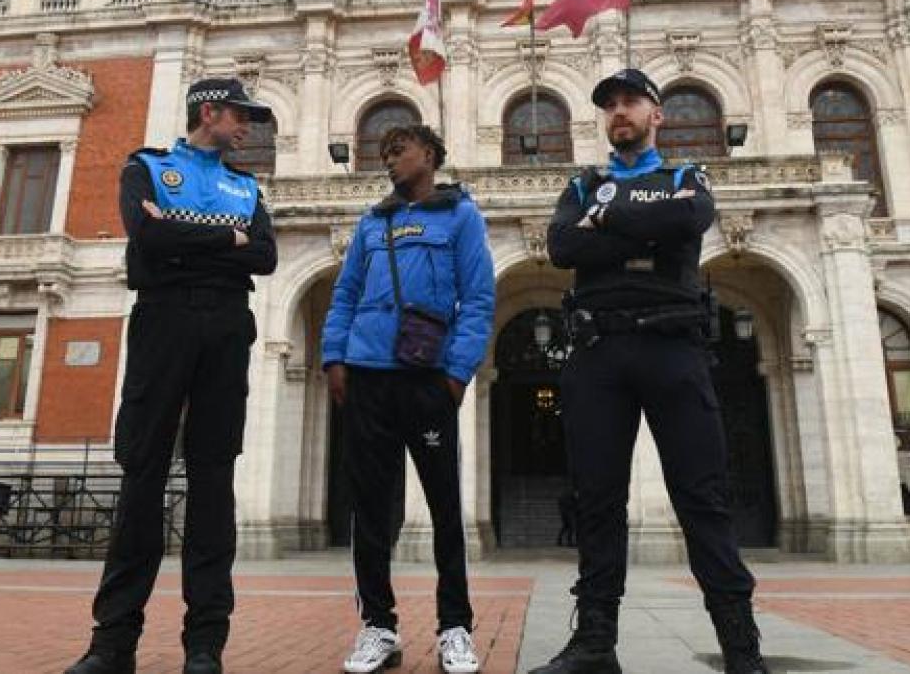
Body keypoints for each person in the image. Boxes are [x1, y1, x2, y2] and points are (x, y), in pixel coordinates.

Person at [531, 69, 768, 674]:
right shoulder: (583, 183)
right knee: (596, 500)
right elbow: (563, 248)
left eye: (631, 101)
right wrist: (642, 226)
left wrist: (605, 220)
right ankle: (594, 644)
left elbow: (689, 222)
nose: (619, 111)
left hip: (673, 349)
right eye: (609, 104)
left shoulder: (687, 178)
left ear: (656, 114)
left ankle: (742, 650)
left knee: (703, 497)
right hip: (597, 352)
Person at [65, 78, 278, 674]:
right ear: (209, 112)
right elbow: (148, 236)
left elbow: (264, 256)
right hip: (162, 320)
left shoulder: (247, 187)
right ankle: (113, 644)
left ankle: (205, 645)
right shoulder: (148, 168)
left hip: (227, 325)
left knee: (214, 481)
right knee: (142, 476)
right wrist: (227, 237)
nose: (247, 126)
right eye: (240, 114)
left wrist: (187, 239)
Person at [322, 125, 495, 674]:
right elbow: (345, 293)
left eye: (399, 151)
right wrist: (334, 357)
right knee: (370, 509)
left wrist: (458, 373)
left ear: (431, 155)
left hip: (427, 377)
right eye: (385, 154)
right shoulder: (372, 222)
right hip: (367, 375)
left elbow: (479, 297)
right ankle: (378, 625)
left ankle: (455, 628)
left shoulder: (461, 216)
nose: (390, 160)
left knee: (445, 508)